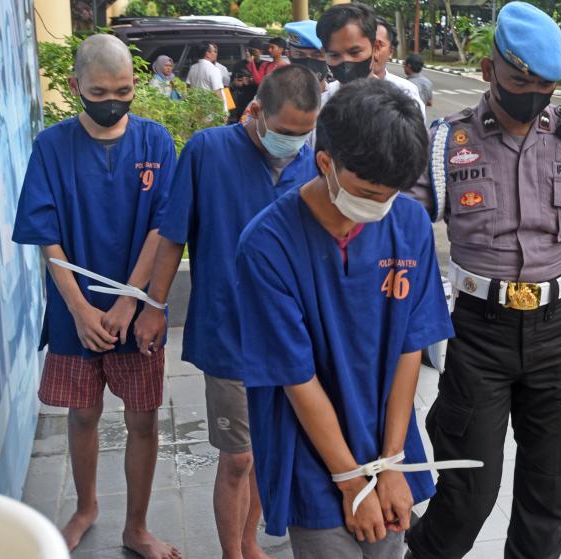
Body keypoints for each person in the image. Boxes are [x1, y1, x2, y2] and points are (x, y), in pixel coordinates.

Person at [404, 3, 561, 558]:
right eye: (520, 81)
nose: (534, 95)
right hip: (478, 335)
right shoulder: (445, 143)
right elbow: (399, 236)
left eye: (547, 85)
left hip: (554, 335)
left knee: (547, 496)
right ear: (490, 70)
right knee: (468, 493)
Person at [236, 78, 453, 559]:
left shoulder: (410, 223)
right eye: (365, 191)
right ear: (326, 162)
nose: (377, 207)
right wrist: (350, 480)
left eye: (390, 194)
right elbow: (296, 378)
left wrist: (392, 462)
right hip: (314, 455)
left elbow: (409, 346)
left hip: (387, 440)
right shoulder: (268, 245)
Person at [133, 65, 321, 559]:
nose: (293, 144)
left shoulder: (310, 163)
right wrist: (155, 305)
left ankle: (248, 539)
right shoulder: (207, 151)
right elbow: (174, 235)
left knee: (267, 451)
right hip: (231, 330)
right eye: (284, 133)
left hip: (290, 334)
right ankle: (231, 553)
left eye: (303, 135)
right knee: (238, 456)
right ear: (255, 111)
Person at [11, 34, 180, 559]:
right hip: (73, 313)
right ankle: (85, 508)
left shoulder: (155, 142)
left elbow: (163, 226)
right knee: (82, 413)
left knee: (143, 418)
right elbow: (45, 233)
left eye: (125, 90)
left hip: (137, 308)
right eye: (100, 90)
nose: (113, 101)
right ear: (75, 86)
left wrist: (132, 300)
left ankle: (137, 526)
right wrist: (80, 309)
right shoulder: (51, 146)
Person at [317, 2, 379, 104]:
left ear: (375, 48)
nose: (346, 63)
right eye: (334, 55)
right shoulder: (320, 108)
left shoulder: (398, 105)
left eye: (354, 52)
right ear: (324, 54)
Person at [372, 16, 426, 119]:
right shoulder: (334, 91)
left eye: (378, 46)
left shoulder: (406, 91)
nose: (371, 52)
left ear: (391, 51)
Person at [285, 19, 330, 91]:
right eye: (300, 55)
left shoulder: (342, 97)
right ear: (288, 55)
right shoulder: (276, 97)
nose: (308, 62)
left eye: (317, 55)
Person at [186, 43, 226, 110]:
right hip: (210, 111)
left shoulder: (193, 68)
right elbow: (218, 93)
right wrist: (223, 112)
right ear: (207, 53)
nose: (215, 54)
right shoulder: (214, 69)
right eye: (214, 51)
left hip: (195, 109)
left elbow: (188, 89)